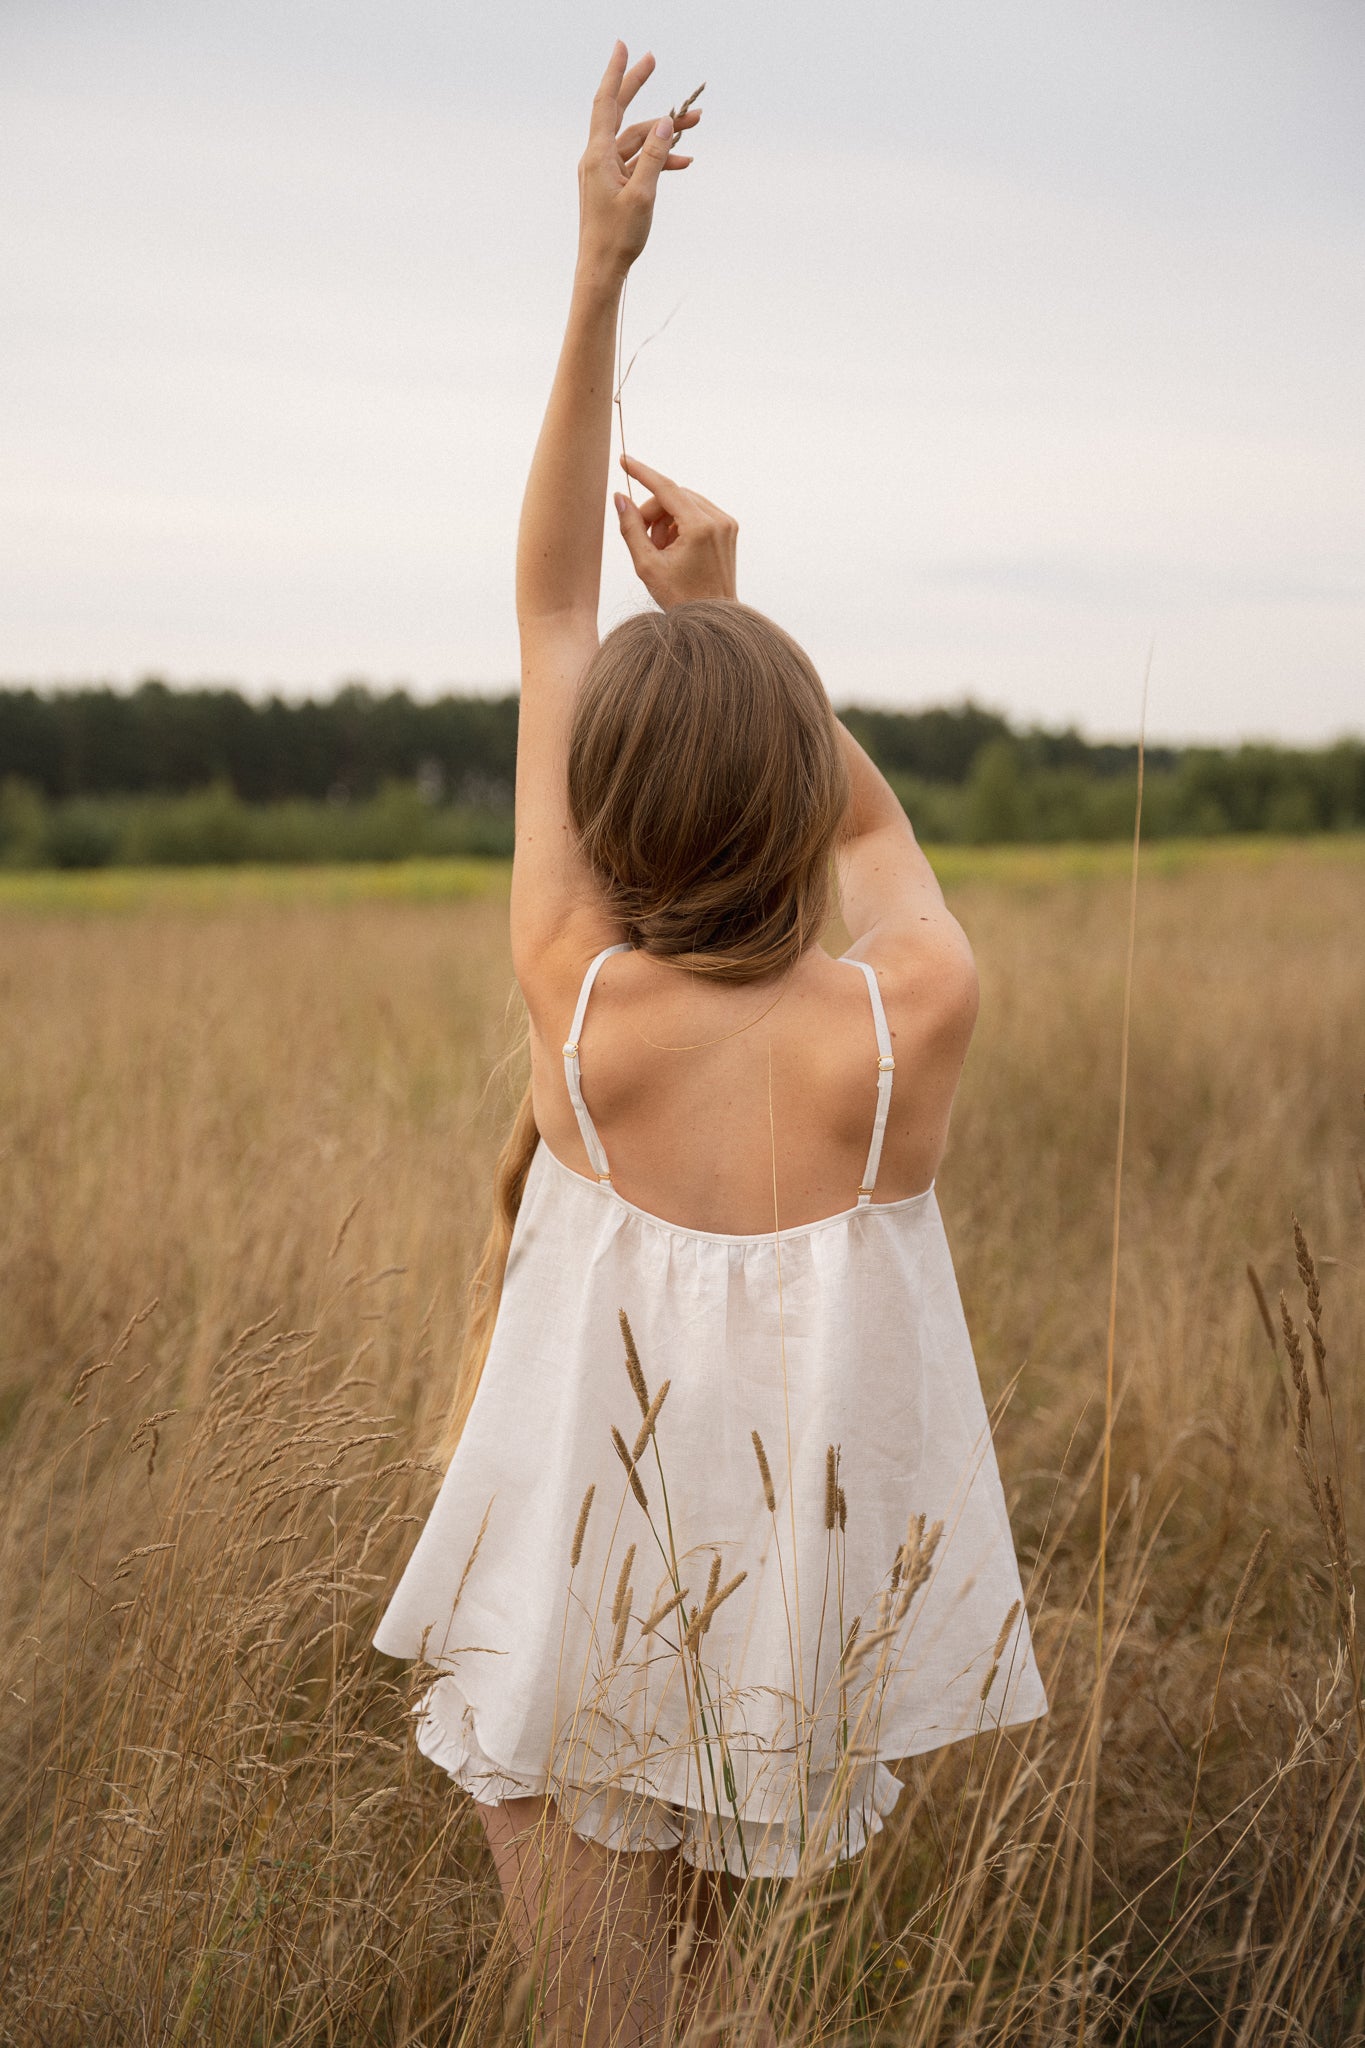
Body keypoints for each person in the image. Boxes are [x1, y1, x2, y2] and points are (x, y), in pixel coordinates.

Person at [373, 43, 1047, 2045]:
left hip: (583, 1621)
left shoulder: (580, 1007)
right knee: (716, 2013)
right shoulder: (904, 1028)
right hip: (781, 1650)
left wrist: (595, 271)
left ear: (610, 816)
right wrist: (751, 636)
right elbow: (863, 832)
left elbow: (546, 618)